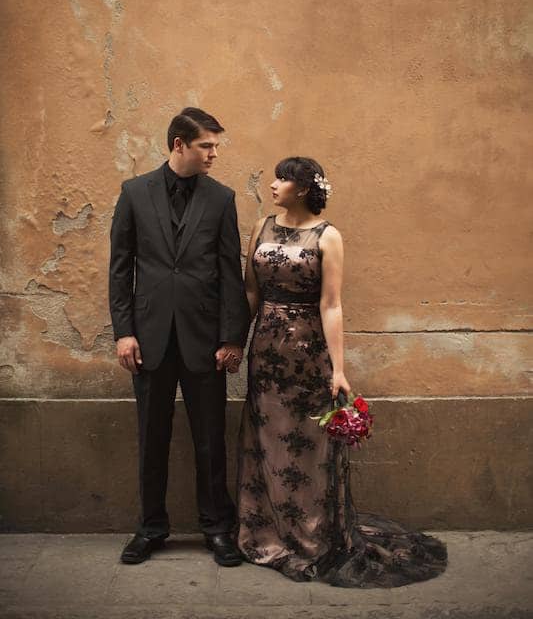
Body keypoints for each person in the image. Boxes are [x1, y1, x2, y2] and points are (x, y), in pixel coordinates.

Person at [237, 156, 447, 586]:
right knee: (265, 439)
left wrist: (338, 369)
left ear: (301, 188)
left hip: (308, 354)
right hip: (266, 352)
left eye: (282, 179)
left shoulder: (328, 236)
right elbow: (251, 290)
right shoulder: (261, 226)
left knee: (307, 445)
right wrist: (235, 343)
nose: (273, 184)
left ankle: (309, 536)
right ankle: (268, 531)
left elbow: (331, 304)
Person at [109, 107, 250, 566]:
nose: (214, 154)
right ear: (178, 145)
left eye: (215, 145)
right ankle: (151, 528)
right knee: (152, 436)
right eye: (206, 145)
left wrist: (232, 339)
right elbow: (120, 269)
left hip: (204, 339)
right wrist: (124, 332)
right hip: (148, 339)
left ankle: (217, 529)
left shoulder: (222, 199)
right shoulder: (133, 193)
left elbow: (232, 273)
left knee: (211, 437)